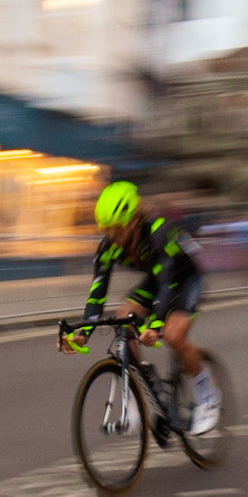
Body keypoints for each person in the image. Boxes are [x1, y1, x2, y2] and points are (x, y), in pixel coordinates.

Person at [60, 181, 219, 435]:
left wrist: (155, 325)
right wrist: (83, 333)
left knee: (174, 335)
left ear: (133, 220)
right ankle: (134, 397)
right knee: (124, 317)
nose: (112, 236)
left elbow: (168, 283)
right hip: (158, 280)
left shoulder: (158, 232)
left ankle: (207, 396)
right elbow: (97, 294)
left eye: (116, 229)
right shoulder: (107, 247)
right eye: (107, 230)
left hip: (186, 279)